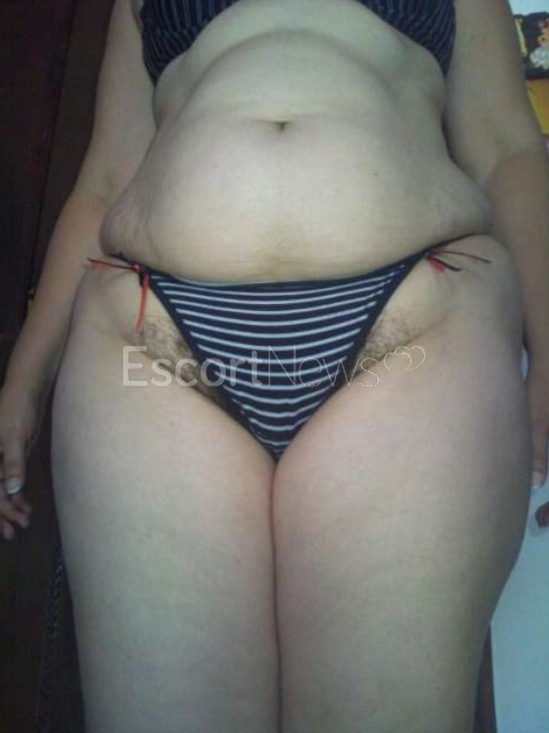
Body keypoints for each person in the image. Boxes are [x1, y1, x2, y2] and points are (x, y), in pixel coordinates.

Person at [1, 0, 548, 730]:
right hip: (153, 337)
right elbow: (104, 178)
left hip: (413, 319)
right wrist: (25, 376)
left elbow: (507, 150)